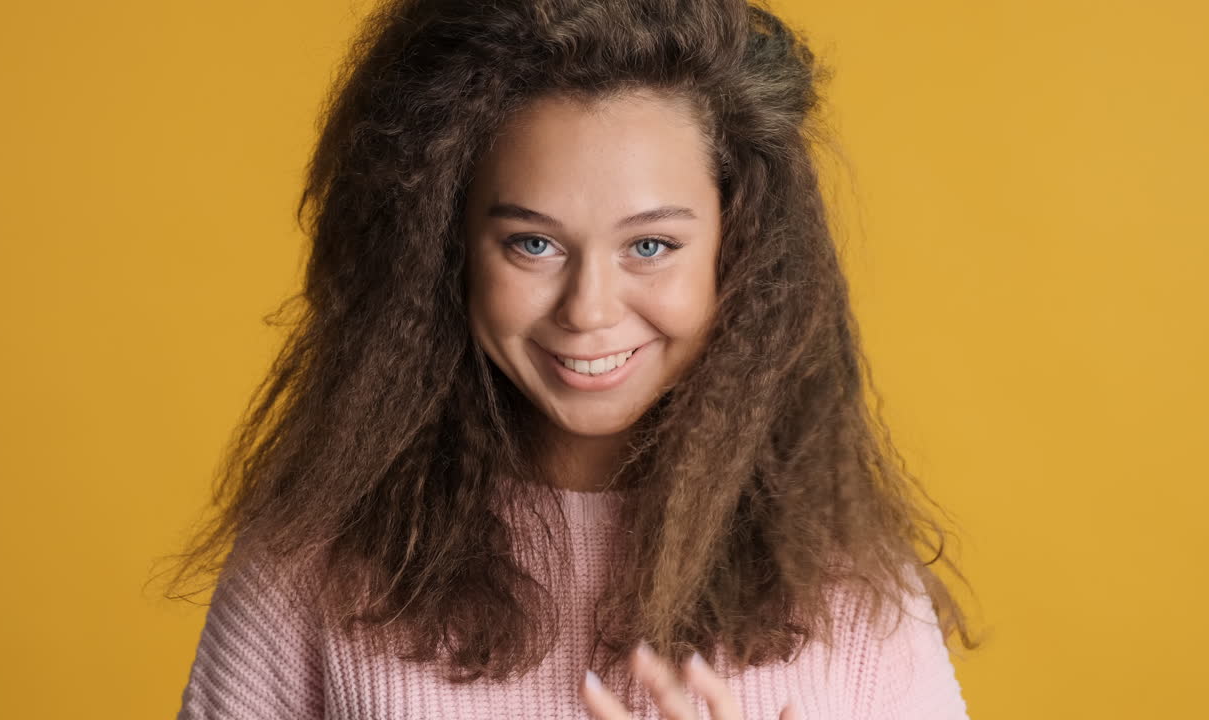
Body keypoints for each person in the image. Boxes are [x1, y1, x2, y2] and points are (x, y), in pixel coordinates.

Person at [163, 0, 981, 717]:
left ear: (743, 249)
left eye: (652, 245)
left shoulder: (851, 586)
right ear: (443, 249)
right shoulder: (310, 564)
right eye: (534, 243)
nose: (588, 309)